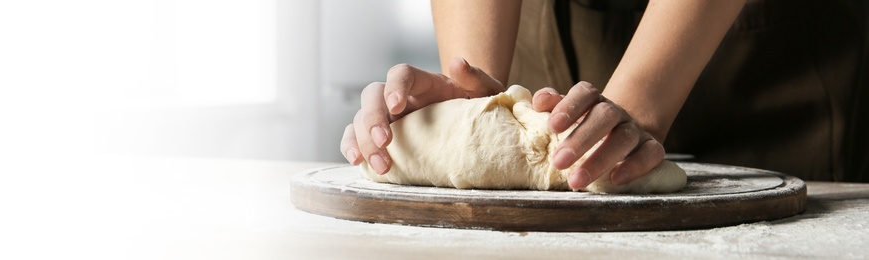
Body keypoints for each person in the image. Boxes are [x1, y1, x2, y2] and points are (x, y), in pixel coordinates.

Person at [339, 0, 869, 188]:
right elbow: (477, 90)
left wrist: (640, 102)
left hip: (751, 55)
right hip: (544, 41)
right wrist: (472, 99)